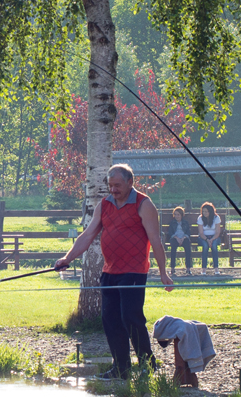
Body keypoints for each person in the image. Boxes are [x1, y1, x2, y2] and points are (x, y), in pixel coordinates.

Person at [54, 163, 176, 380]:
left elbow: (156, 240)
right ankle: (121, 369)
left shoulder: (144, 204)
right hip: (110, 271)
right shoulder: (105, 204)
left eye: (117, 185)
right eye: (110, 185)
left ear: (131, 182)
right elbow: (88, 234)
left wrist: (164, 272)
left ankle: (148, 365)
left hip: (134, 272)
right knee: (110, 319)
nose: (113, 190)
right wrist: (67, 258)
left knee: (131, 317)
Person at [196, 202, 226, 270]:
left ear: (210, 211)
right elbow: (201, 233)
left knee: (214, 246)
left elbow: (218, 232)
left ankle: (216, 267)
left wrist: (212, 239)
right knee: (205, 246)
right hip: (203, 237)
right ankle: (204, 268)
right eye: (203, 211)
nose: (204, 213)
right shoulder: (200, 218)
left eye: (206, 211)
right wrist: (207, 240)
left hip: (214, 236)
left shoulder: (216, 218)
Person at [170, 206, 193, 273]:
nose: (177, 216)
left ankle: (188, 268)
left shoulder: (185, 222)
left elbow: (188, 232)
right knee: (173, 248)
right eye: (175, 215)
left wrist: (183, 238)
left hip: (184, 238)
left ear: (182, 215)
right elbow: (170, 232)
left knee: (188, 247)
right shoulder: (172, 223)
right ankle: (172, 268)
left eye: (178, 215)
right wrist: (176, 238)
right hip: (175, 238)